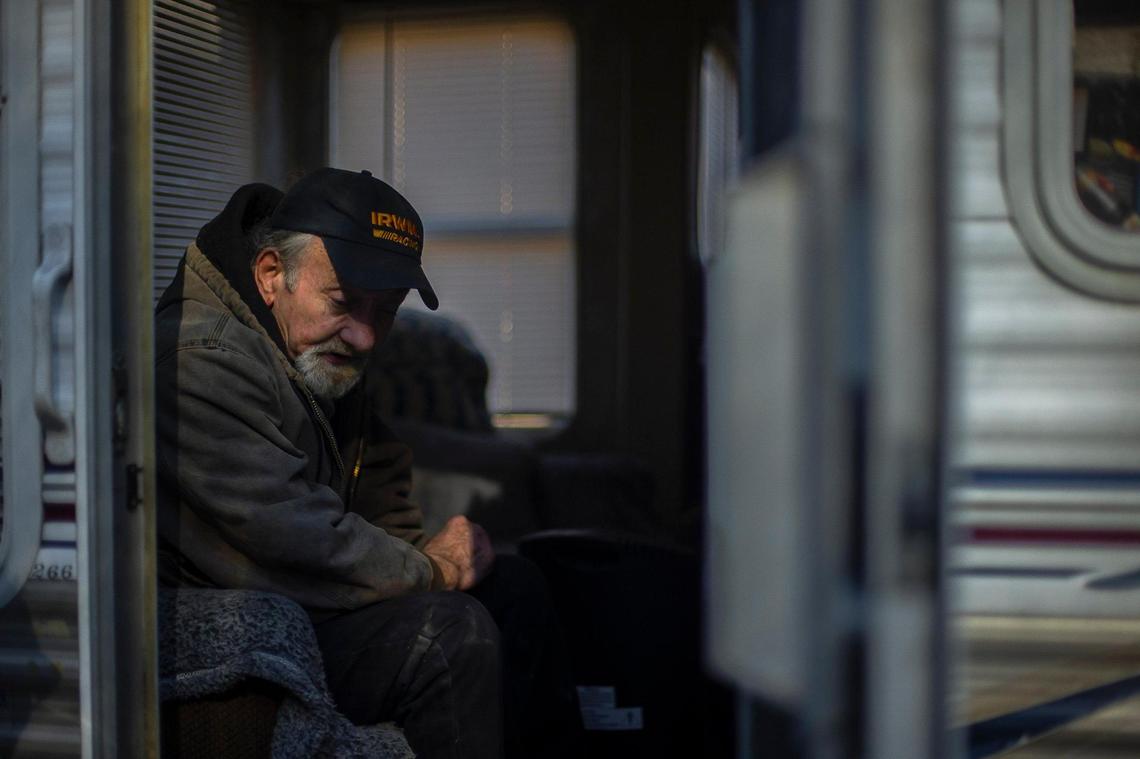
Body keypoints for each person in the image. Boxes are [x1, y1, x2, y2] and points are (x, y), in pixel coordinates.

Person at [155, 167, 579, 758]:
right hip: (247, 612)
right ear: (272, 275)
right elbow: (291, 535)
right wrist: (434, 573)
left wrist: (432, 562)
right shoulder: (202, 361)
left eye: (386, 310)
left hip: (312, 598)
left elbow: (381, 487)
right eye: (344, 302)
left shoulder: (318, 348)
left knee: (516, 587)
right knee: (451, 634)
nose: (365, 336)